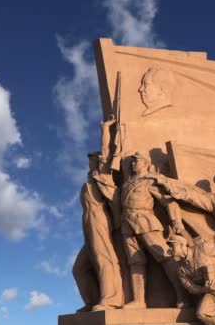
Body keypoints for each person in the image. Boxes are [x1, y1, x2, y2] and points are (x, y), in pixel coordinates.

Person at [120, 151, 189, 309]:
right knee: (135, 262)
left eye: (136, 162)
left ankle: (183, 296)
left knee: (166, 257)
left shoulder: (150, 181)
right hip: (127, 224)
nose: (132, 164)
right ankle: (138, 301)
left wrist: (176, 221)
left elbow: (168, 202)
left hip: (146, 221)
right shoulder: (127, 183)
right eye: (132, 162)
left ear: (145, 164)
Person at [72, 118, 123, 312]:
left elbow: (106, 151)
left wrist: (105, 129)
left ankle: (110, 300)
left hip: (101, 219)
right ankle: (92, 301)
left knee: (104, 259)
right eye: (91, 158)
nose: (91, 160)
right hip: (89, 222)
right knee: (79, 269)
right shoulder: (91, 179)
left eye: (93, 158)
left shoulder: (103, 176)